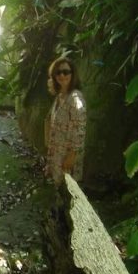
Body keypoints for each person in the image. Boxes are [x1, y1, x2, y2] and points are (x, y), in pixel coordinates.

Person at [44, 56, 87, 185]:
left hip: (67, 155)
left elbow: (80, 128)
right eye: (58, 72)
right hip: (57, 152)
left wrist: (72, 155)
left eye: (66, 72)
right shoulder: (60, 96)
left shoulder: (75, 98)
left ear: (72, 74)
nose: (62, 75)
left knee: (70, 188)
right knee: (59, 185)